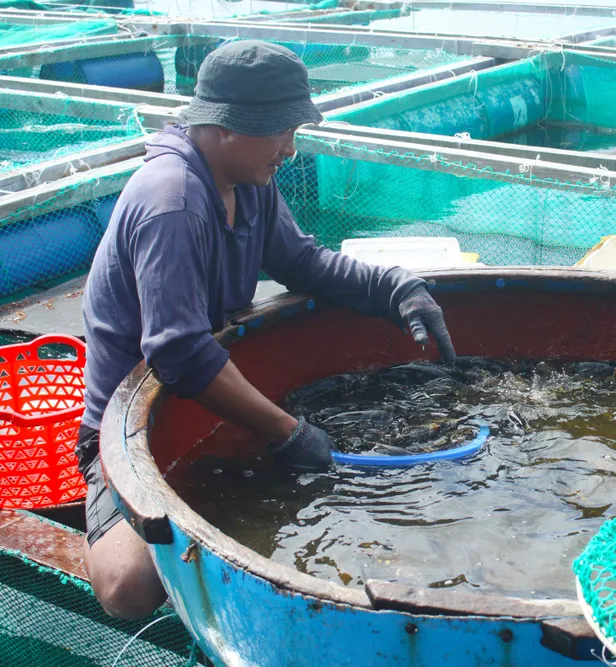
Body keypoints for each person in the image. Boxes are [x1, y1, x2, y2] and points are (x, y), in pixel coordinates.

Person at [77, 40, 457, 620]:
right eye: (281, 130)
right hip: (130, 428)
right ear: (226, 126)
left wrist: (394, 288)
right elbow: (178, 352)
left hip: (210, 400)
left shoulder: (249, 181)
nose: (290, 148)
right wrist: (288, 432)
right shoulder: (172, 201)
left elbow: (302, 262)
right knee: (128, 589)